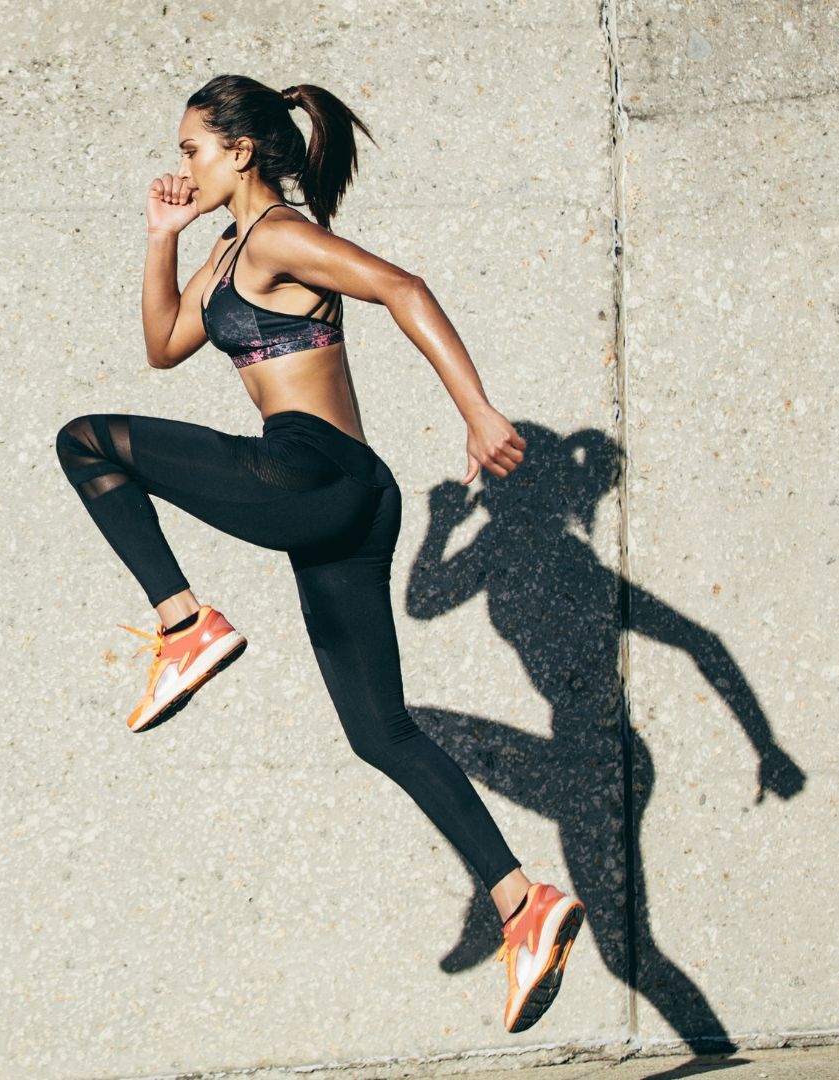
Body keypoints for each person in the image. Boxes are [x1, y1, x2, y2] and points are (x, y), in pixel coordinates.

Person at [53, 75, 585, 1034]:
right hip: (346, 501)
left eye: (193, 151)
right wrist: (160, 238)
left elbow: (401, 287)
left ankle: (185, 624)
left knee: (86, 441)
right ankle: (522, 902)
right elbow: (164, 346)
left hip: (316, 471)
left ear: (242, 150)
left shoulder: (282, 236)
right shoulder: (225, 254)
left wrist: (476, 411)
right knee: (379, 733)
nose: (182, 166)